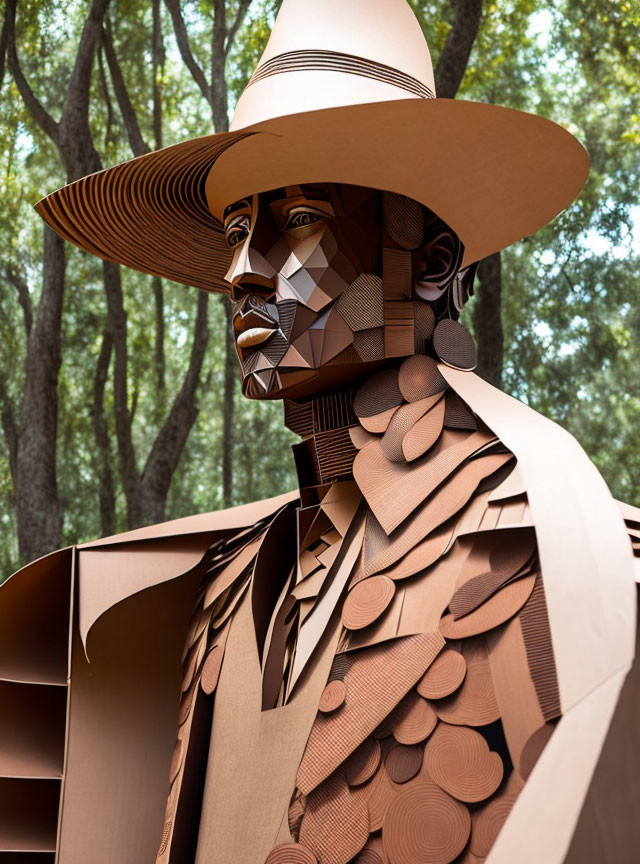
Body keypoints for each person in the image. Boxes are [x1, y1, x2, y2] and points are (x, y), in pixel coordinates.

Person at [1, 1, 638, 863]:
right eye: (234, 232)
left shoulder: (570, 560)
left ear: (436, 262)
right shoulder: (214, 589)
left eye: (298, 219)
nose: (240, 271)